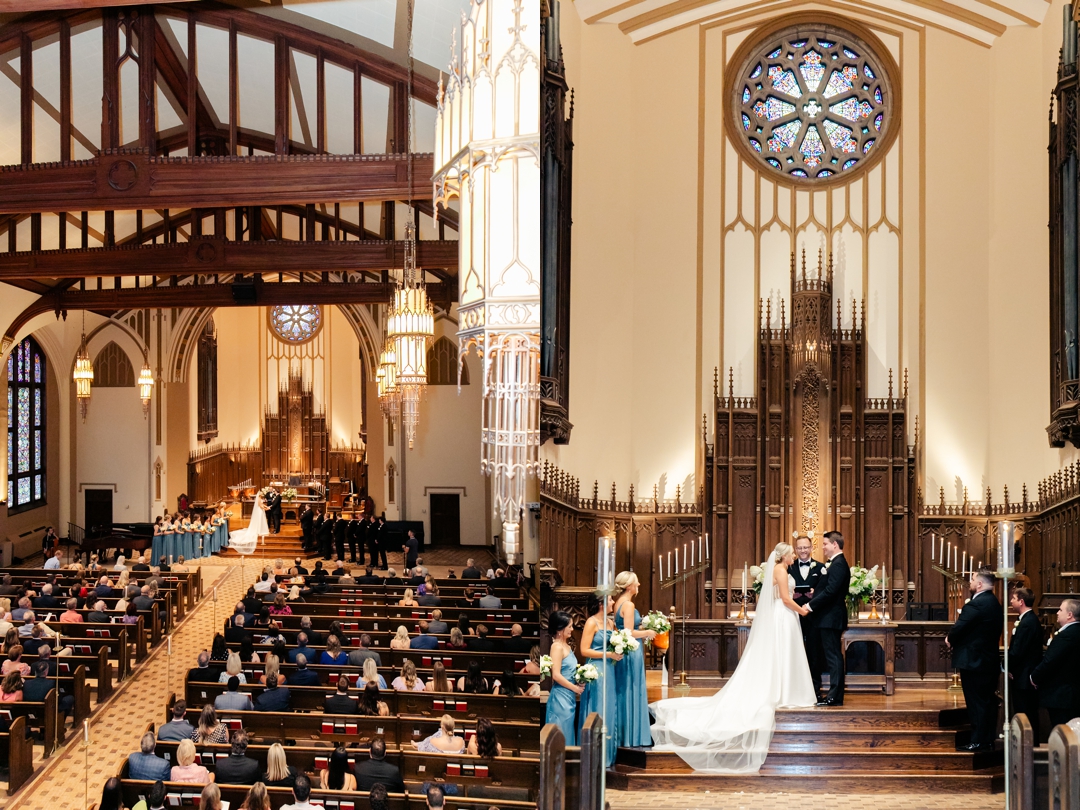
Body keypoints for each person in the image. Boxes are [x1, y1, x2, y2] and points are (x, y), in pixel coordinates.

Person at [650, 541, 816, 773]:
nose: (793, 557)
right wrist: (804, 610)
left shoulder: (784, 570)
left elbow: (785, 594)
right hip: (784, 614)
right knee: (781, 652)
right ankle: (782, 691)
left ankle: (786, 689)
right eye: (791, 554)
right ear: (784, 555)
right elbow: (786, 600)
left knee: (784, 654)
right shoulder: (779, 569)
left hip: (787, 615)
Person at [946, 568, 1003, 752]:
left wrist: (950, 639)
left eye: (972, 579)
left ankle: (978, 740)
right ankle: (986, 739)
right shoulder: (994, 602)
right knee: (986, 701)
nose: (970, 583)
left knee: (976, 702)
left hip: (974, 662)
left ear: (979, 584)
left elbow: (959, 627)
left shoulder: (976, 605)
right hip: (988, 661)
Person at [805, 531, 851, 706]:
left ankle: (834, 697)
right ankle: (834, 695)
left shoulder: (838, 564)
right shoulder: (834, 563)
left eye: (825, 544)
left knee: (833, 657)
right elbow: (828, 588)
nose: (822, 547)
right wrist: (815, 592)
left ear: (835, 544)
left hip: (831, 617)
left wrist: (810, 605)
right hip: (828, 617)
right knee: (832, 656)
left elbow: (831, 592)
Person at [612, 571, 654, 747]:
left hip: (626, 650)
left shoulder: (618, 603)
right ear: (629, 586)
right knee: (633, 687)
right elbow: (629, 633)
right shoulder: (628, 605)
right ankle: (634, 736)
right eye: (636, 583)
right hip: (632, 652)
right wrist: (648, 632)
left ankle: (626, 733)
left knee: (626, 689)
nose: (639, 585)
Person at [1031, 597, 1080, 730]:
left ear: (1070, 615)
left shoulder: (1066, 635)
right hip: (1072, 693)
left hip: (1062, 695)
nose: (1057, 613)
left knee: (1063, 733)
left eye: (1060, 609)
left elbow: (1050, 661)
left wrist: (1034, 677)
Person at [788, 534, 825, 694]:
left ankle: (815, 688)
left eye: (806, 547)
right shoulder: (788, 566)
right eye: (800, 548)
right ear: (795, 550)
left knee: (814, 651)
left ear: (811, 548)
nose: (803, 550)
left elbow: (825, 590)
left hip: (814, 616)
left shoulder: (820, 567)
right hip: (792, 615)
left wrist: (814, 593)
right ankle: (793, 687)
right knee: (793, 650)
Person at [1008, 586, 1044, 741]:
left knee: (1026, 714)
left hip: (1024, 676)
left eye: (1013, 598)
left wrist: (1006, 666)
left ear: (1021, 601)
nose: (1011, 601)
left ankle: (1029, 746)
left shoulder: (1028, 622)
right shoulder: (1026, 620)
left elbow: (1018, 650)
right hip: (1023, 674)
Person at [545, 611, 581, 744]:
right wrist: (574, 688)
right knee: (561, 734)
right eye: (570, 626)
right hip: (560, 698)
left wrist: (580, 681)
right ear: (560, 629)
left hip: (569, 696)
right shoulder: (557, 647)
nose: (572, 629)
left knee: (568, 732)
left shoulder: (567, 645)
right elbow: (556, 675)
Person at [229, 489, 269, 555]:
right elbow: (260, 505)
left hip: (261, 511)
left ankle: (260, 529)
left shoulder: (260, 498)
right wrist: (265, 508)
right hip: (259, 511)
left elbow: (262, 504)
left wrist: (266, 506)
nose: (262, 495)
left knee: (261, 520)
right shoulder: (258, 499)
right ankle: (258, 530)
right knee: (259, 521)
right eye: (261, 494)